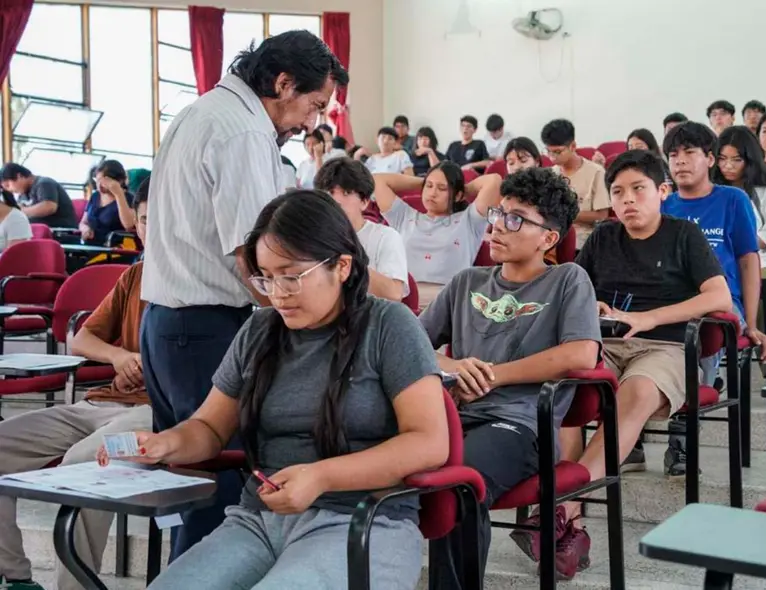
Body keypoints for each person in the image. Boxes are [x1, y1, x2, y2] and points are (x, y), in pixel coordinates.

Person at [126, 191, 447, 590]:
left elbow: (430, 443)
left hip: (365, 521)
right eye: (265, 276)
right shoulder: (260, 330)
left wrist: (322, 477)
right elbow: (209, 427)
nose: (276, 292)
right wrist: (165, 444)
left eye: (291, 275)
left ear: (342, 266)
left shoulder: (389, 325)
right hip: (260, 520)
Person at [141, 30, 347, 559]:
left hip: (169, 323)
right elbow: (255, 256)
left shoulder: (202, 112)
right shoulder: (244, 134)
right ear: (283, 83)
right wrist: (306, 316)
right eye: (315, 104)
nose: (313, 122)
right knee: (222, 488)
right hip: (209, 325)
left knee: (194, 485)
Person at [527, 150, 731, 574]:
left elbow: (718, 297)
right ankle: (571, 525)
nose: (627, 201)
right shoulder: (602, 237)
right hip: (607, 343)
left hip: (667, 348)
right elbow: (570, 288)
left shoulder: (684, 234)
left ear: (662, 192)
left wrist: (648, 317)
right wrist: (592, 303)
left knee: (634, 393)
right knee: (569, 389)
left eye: (638, 189)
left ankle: (564, 502)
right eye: (617, 192)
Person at [419, 166, 598, 586]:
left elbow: (582, 351)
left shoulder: (567, 280)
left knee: (456, 484)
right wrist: (454, 366)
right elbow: (410, 344)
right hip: (451, 417)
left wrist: (494, 375)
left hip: (521, 427)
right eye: (498, 214)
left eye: (515, 219)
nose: (498, 226)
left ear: (548, 238)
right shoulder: (467, 282)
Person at [0, 185, 151, 590]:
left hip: (157, 413)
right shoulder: (135, 275)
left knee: (85, 463)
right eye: (146, 221)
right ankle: (16, 578)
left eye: (163, 221)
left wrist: (146, 371)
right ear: (135, 224)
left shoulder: (208, 285)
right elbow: (80, 339)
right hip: (99, 403)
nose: (153, 231)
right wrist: (119, 357)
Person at [659, 123, 766, 471]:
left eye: (690, 153)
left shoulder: (732, 200)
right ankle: (627, 435)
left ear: (710, 158)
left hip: (719, 305)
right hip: (669, 301)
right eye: (674, 155)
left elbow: (748, 261)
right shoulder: (663, 203)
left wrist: (750, 324)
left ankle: (681, 438)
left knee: (698, 331)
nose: (680, 162)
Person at [713, 126, 766, 381]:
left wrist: (730, 246)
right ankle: (706, 372)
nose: (728, 166)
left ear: (750, 160)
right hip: (721, 264)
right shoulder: (709, 194)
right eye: (722, 159)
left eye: (736, 159)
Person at [371, 164, 503, 309]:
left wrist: (459, 188)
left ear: (458, 195)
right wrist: (422, 182)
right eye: (429, 186)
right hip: (402, 301)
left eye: (442, 188)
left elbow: (495, 181)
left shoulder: (469, 220)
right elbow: (378, 180)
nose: (432, 193)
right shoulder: (404, 216)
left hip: (448, 304)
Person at [314, 158, 409, 301]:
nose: (335, 200)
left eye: (345, 192)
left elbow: (394, 294)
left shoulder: (386, 237)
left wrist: (347, 260)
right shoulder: (312, 238)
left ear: (364, 201)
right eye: (329, 192)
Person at [542, 119, 611, 250]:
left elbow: (602, 216)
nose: (552, 157)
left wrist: (566, 214)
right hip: (551, 237)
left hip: (582, 240)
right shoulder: (551, 174)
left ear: (573, 146)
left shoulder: (596, 172)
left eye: (557, 152)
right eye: (548, 151)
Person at [0, 164, 77, 228]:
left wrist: (19, 211)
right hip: (37, 233)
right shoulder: (22, 194)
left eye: (8, 185)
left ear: (19, 176)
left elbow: (49, 207)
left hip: (59, 232)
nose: (9, 190)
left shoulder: (44, 183)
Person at [80, 159, 135, 246]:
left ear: (119, 181)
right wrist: (85, 228)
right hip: (90, 245)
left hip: (115, 248)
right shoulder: (95, 196)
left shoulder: (129, 198)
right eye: (97, 181)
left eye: (104, 182)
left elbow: (128, 226)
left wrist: (118, 194)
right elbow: (83, 222)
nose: (99, 186)